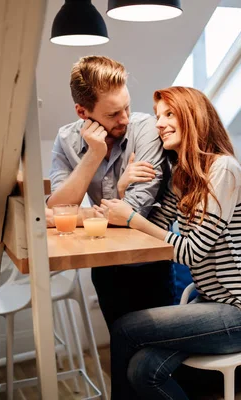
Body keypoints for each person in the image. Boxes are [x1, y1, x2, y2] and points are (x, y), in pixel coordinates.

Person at [102, 86, 241, 399]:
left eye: (169, 114)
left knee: (125, 328)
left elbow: (191, 252)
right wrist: (122, 188)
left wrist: (131, 217)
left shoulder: (224, 170)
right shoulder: (183, 177)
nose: (159, 123)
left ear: (193, 117)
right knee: (142, 370)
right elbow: (154, 226)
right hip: (214, 305)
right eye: (158, 116)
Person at [47, 55, 174, 329]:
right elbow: (57, 207)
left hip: (149, 263)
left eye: (126, 107)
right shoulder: (67, 139)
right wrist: (94, 154)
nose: (125, 119)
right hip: (105, 266)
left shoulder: (147, 131)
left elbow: (134, 210)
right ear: (83, 112)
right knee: (121, 347)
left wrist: (76, 215)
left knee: (159, 358)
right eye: (113, 114)